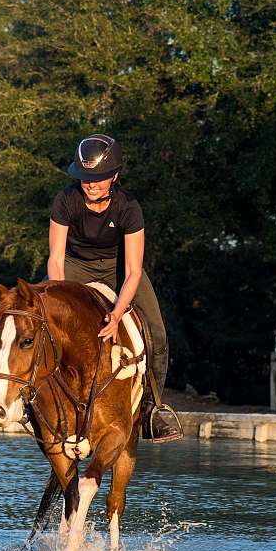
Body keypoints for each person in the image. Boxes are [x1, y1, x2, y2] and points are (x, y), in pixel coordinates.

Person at [48, 133, 182, 442]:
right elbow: (55, 260)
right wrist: (64, 299)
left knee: (158, 333)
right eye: (84, 178)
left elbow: (134, 270)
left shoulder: (129, 206)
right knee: (33, 315)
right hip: (73, 266)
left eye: (98, 178)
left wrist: (118, 314)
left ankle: (151, 410)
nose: (91, 184)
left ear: (114, 176)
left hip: (119, 268)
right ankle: (33, 399)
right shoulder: (65, 199)